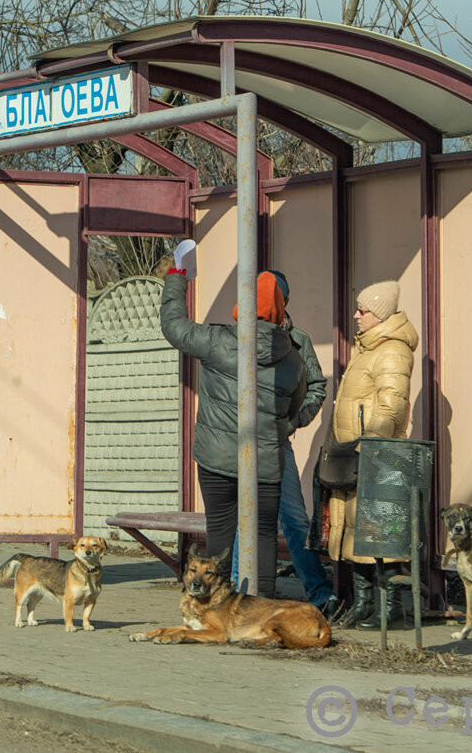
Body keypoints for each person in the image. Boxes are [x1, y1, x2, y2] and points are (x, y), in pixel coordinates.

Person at [159, 267, 306, 598]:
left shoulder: (217, 341)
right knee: (264, 535)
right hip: (266, 462)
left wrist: (176, 278)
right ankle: (261, 611)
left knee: (220, 533)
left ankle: (215, 607)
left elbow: (173, 327)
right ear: (280, 309)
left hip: (217, 459)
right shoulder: (293, 358)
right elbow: (295, 406)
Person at [229, 270, 339, 619]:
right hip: (242, 441)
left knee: (293, 517)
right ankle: (236, 595)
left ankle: (319, 593)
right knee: (242, 515)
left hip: (277, 442)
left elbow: (317, 386)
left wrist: (294, 421)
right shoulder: (237, 336)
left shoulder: (298, 340)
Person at [323, 279, 418, 629]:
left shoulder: (391, 350)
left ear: (379, 314)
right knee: (355, 531)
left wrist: (371, 447)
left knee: (380, 533)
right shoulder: (367, 347)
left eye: (363, 310)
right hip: (354, 455)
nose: (356, 315)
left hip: (376, 457)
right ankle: (364, 604)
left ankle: (392, 609)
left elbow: (392, 405)